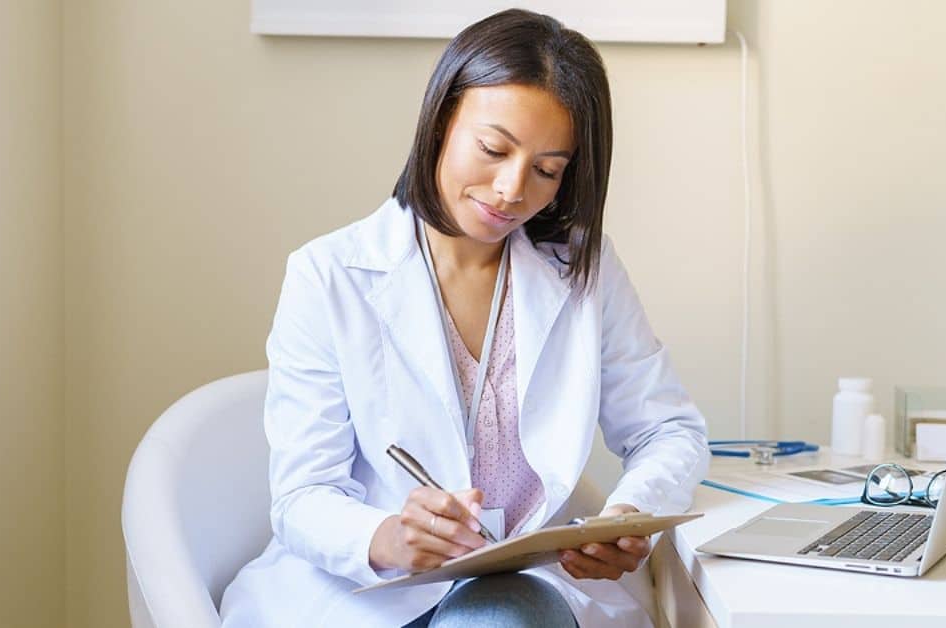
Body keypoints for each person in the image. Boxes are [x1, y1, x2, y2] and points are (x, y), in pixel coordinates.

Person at [220, 9, 709, 628]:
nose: (512, 189)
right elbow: (301, 497)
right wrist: (392, 536)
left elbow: (669, 430)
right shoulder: (329, 275)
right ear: (440, 120)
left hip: (527, 590)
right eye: (493, 149)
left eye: (547, 170)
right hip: (373, 594)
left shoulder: (585, 269)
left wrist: (629, 513)